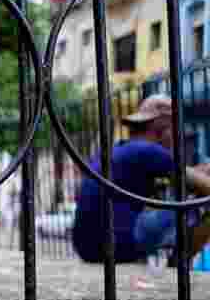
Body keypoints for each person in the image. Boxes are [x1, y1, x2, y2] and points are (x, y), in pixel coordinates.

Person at [72, 94, 210, 265]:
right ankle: (178, 267)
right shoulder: (150, 151)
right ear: (163, 129)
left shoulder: (117, 151)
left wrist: (198, 174)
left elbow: (185, 178)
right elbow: (205, 188)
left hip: (87, 248)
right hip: (119, 244)